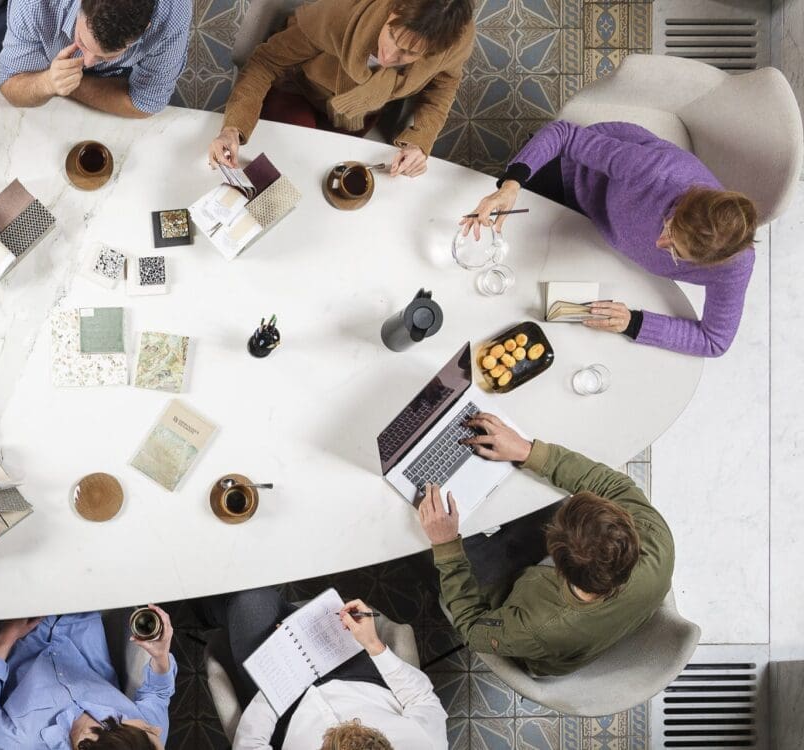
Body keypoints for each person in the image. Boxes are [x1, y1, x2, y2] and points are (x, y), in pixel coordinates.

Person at [460, 120, 758, 357]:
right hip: (578, 179)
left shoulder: (732, 268)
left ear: (709, 263)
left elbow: (715, 341)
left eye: (676, 253)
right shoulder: (653, 171)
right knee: (481, 222)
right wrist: (510, 186)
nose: (658, 244)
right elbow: (564, 135)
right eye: (669, 227)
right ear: (684, 203)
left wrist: (634, 322)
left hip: (603, 239)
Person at [419, 412, 675, 677]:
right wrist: (527, 451)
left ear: (555, 562)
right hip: (591, 606)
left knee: (423, 545)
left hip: (527, 615)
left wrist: (446, 544)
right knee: (521, 488)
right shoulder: (656, 539)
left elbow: (473, 630)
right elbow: (609, 484)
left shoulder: (537, 628)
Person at [206, 0, 474, 178]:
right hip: (300, 91)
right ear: (393, 9)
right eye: (392, 36)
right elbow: (265, 63)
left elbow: (443, 87)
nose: (389, 57)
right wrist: (232, 128)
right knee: (280, 169)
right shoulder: (340, 12)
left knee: (333, 177)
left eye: (408, 53)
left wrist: (419, 143)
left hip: (362, 111)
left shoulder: (453, 45)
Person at [200, 587, 444, 749]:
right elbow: (421, 698)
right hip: (357, 674)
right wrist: (373, 644)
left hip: (286, 706)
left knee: (249, 600)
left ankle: (205, 610)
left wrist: (281, 678)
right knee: (304, 605)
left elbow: (249, 745)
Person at [0, 607, 178, 749]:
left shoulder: (24, 740)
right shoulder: (146, 740)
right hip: (81, 612)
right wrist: (160, 657)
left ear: (87, 741)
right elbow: (158, 694)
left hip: (18, 620)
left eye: (149, 731)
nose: (156, 729)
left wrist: (4, 639)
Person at [0, 0, 190, 119]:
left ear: (146, 29)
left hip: (116, 73)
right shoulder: (33, 3)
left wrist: (68, 84)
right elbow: (11, 82)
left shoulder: (173, 13)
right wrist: (47, 83)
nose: (88, 62)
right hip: (27, 29)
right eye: (83, 42)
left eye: (105, 55)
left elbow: (145, 103)